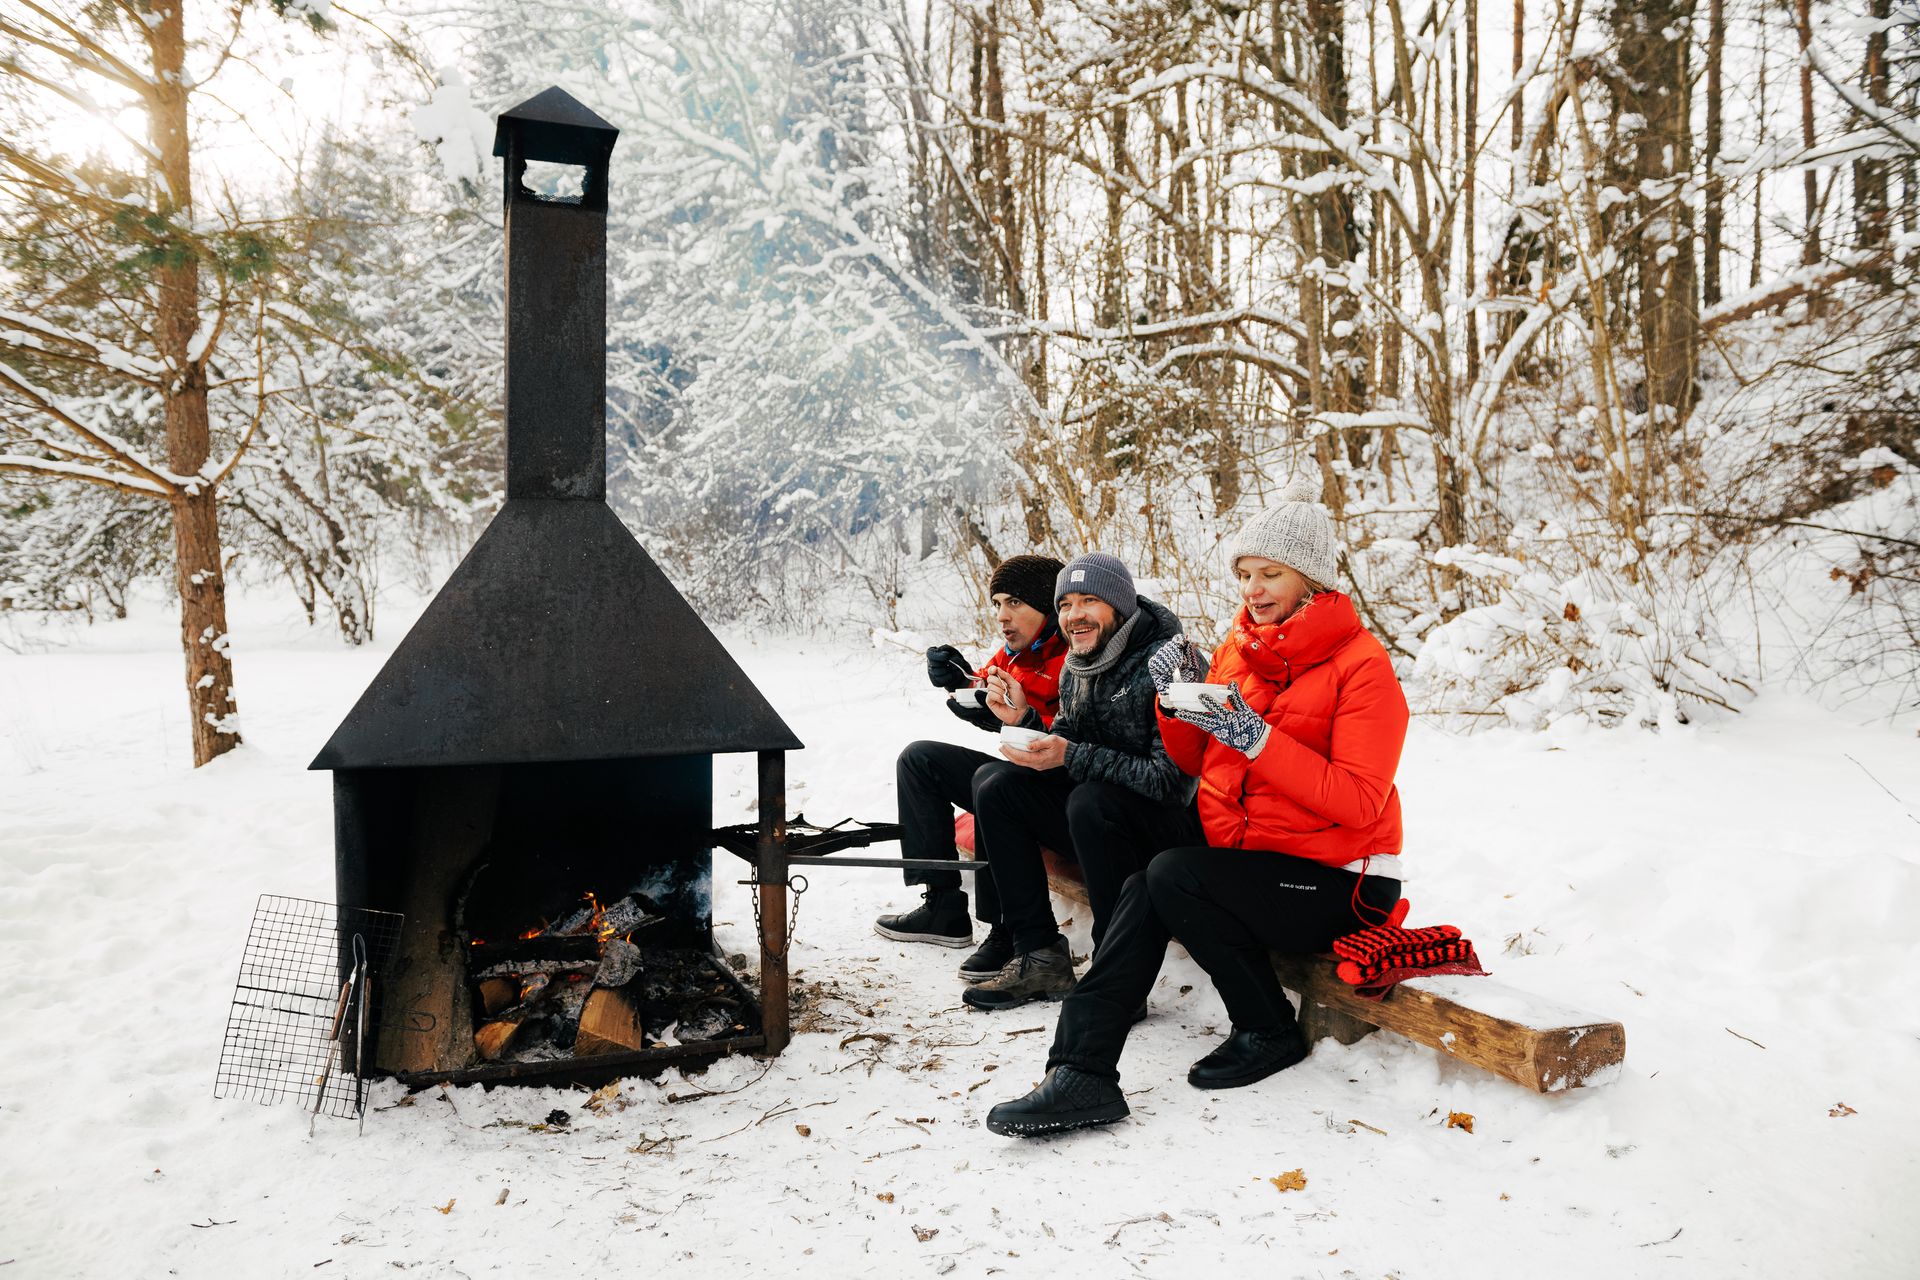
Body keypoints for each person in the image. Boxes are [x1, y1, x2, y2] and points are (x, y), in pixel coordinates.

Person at [985, 479, 1411, 1135]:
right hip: (1252, 860)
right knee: (1147, 874)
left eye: (1271, 574)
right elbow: (1190, 765)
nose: (1254, 589)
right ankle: (1083, 1070)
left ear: (1314, 582)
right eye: (1245, 574)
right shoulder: (1242, 649)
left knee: (1168, 875)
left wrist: (1256, 737)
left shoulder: (1362, 667)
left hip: (1344, 880)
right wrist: (1178, 701)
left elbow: (1358, 802)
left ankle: (1243, 1032)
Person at [961, 553, 1200, 1012]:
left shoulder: (1172, 662)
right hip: (1100, 824)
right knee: (998, 785)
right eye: (1066, 603)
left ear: (1120, 605)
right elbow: (1070, 740)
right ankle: (1038, 953)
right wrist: (1026, 721)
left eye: (1090, 600)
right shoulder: (1078, 663)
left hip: (1172, 834)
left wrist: (1072, 755)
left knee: (1091, 802)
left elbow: (1174, 784)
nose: (1075, 615)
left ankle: (1119, 981)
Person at [875, 555, 1068, 966]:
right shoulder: (1016, 652)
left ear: (1047, 605)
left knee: (993, 779)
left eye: (1014, 602)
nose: (1002, 616)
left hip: (1062, 787)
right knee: (919, 759)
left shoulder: (1073, 654)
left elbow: (1062, 733)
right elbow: (984, 686)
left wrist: (1006, 714)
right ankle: (943, 904)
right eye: (997, 603)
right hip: (1020, 775)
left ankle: (1005, 929)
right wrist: (957, 679)